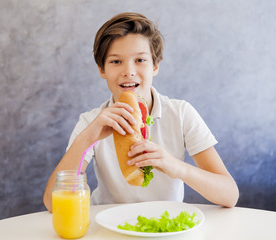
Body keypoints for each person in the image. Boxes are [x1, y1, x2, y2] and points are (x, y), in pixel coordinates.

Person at [43, 12, 239, 212]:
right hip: (106, 225)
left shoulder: (181, 113)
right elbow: (52, 203)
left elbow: (230, 195)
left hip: (166, 225)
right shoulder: (91, 121)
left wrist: (175, 167)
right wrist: (87, 138)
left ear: (155, 66)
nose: (128, 71)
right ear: (102, 70)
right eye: (116, 61)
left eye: (140, 60)